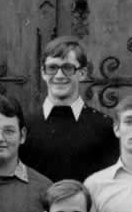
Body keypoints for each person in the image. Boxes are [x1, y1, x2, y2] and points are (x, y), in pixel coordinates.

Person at [20, 36, 118, 183]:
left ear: (82, 73)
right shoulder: (25, 126)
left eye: (67, 68)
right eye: (52, 68)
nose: (59, 76)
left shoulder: (105, 127)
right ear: (43, 73)